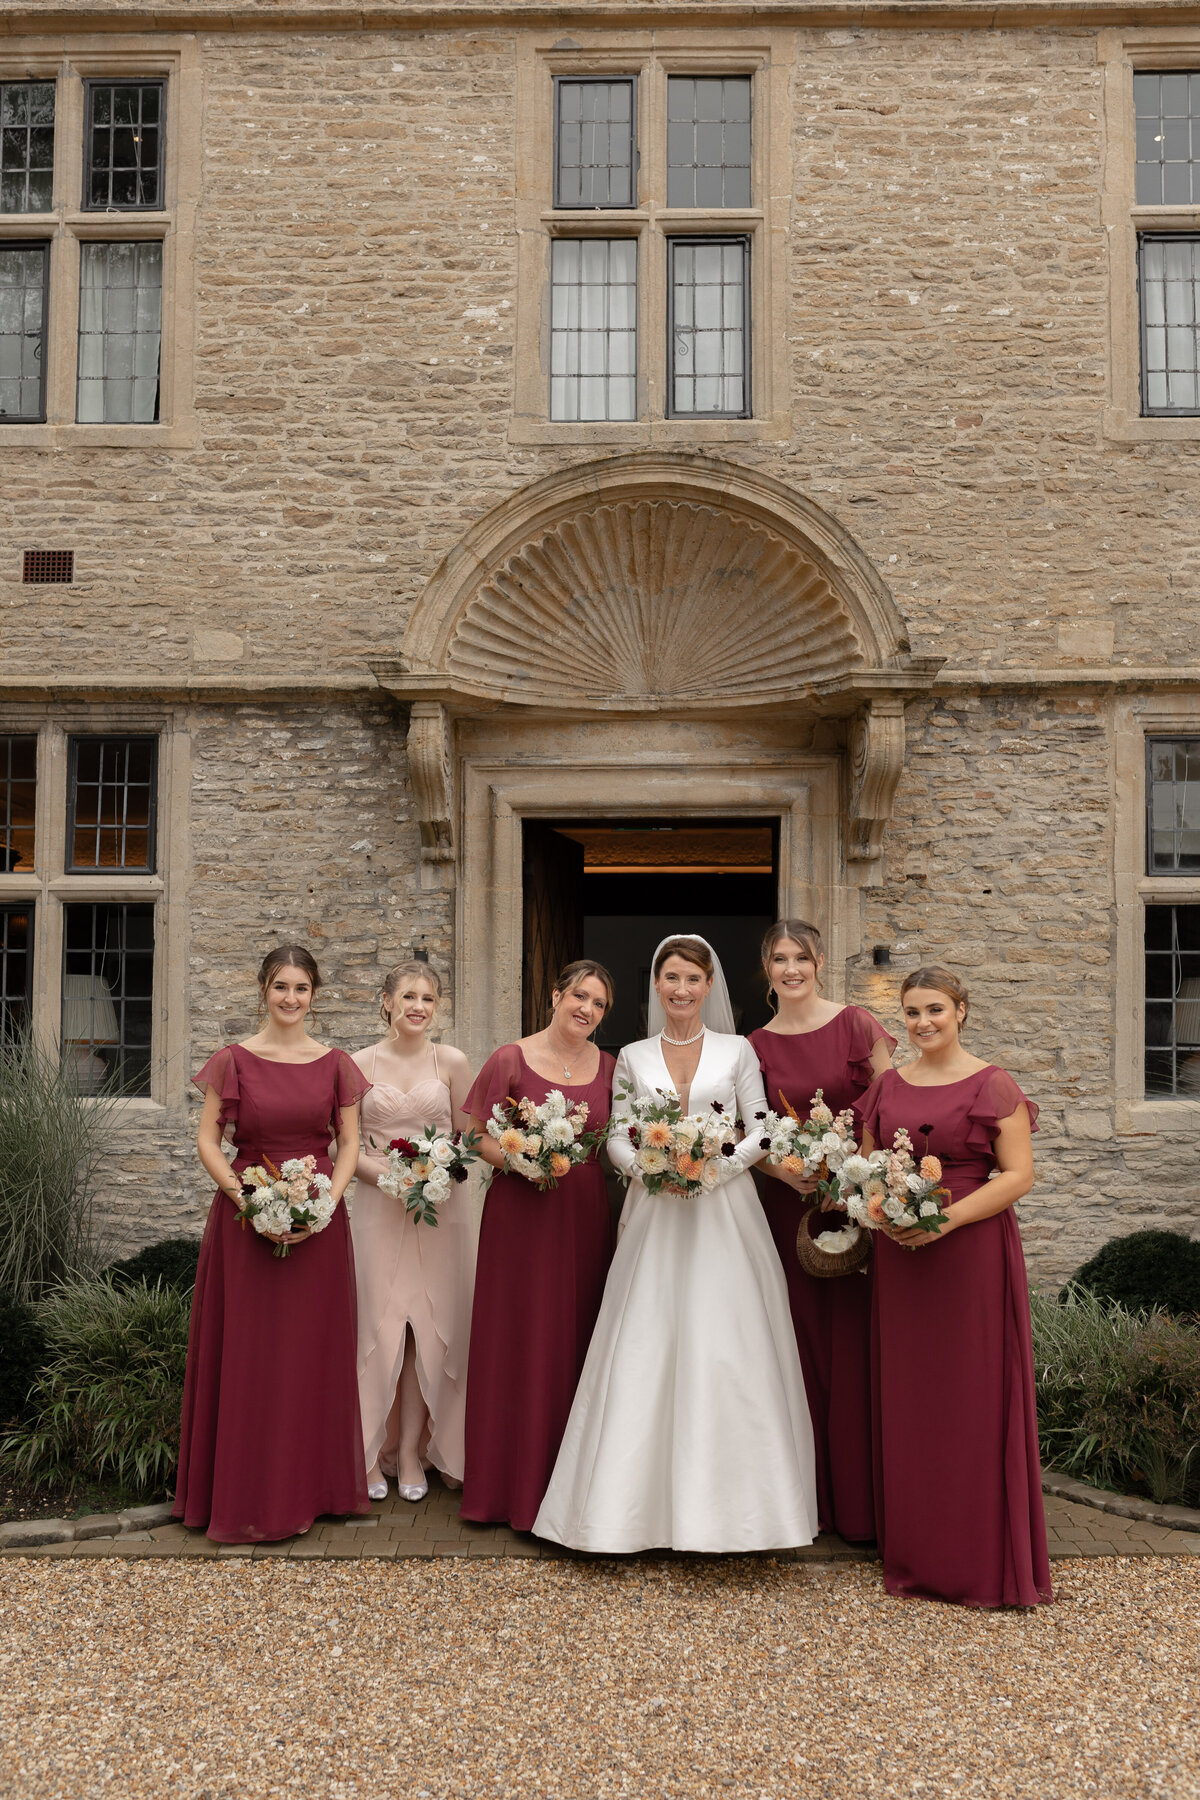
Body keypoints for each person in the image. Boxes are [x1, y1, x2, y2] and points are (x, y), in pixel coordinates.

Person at [533, 935, 818, 1555]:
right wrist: (653, 1172)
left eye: (693, 979)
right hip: (656, 1211)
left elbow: (761, 1127)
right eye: (672, 980)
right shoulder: (631, 1055)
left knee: (727, 1343)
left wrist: (714, 1169)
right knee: (646, 1339)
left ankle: (744, 1516)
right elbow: (616, 1138)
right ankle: (625, 1514)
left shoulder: (737, 1049)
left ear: (709, 986)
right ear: (656, 986)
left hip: (725, 1212)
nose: (682, 990)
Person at [858, 966, 1051, 1607]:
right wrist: (883, 1208)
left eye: (935, 1009)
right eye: (912, 1013)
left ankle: (977, 1560)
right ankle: (916, 1555)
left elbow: (1018, 1175)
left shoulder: (993, 1083)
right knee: (911, 1396)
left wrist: (944, 1220)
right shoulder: (887, 1085)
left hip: (969, 1253)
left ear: (962, 1011)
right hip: (901, 1260)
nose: (923, 1023)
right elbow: (866, 1166)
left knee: (970, 1393)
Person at [175, 945, 371, 1543]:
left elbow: (349, 1144)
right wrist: (248, 1202)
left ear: (315, 995)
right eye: (281, 986)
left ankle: (317, 1491)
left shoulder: (336, 1064)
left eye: (302, 988)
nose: (291, 998)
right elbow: (210, 1140)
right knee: (251, 1355)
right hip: (245, 1222)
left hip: (317, 1225)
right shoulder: (233, 1060)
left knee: (310, 1355)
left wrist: (325, 1206)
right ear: (263, 989)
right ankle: (241, 1497)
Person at [747, 920, 895, 1544]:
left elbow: (893, 1106)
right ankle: (805, 1504)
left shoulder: (857, 1024)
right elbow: (743, 1132)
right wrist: (784, 1172)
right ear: (766, 971)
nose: (791, 969)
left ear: (820, 961)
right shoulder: (752, 1044)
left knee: (856, 1342)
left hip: (857, 1203)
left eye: (800, 957)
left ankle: (862, 1507)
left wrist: (859, 1174)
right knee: (798, 1342)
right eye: (779, 959)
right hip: (790, 1209)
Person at [460, 961, 617, 1532]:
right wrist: (519, 1161)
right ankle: (503, 1491)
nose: (587, 1010)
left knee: (575, 1335)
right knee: (516, 1338)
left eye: (598, 1004)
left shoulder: (612, 1067)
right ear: (556, 995)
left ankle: (569, 1489)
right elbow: (475, 1135)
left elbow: (620, 1141)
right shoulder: (509, 1058)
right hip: (519, 1217)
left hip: (582, 1217)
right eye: (579, 996)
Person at [351, 960, 475, 1504]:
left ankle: (412, 1453)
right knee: (378, 1330)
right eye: (407, 997)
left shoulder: (451, 1061)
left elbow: (470, 1142)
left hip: (442, 1211)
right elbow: (345, 1148)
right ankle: (366, 1452)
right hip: (379, 1210)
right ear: (386, 1001)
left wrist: (434, 1170)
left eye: (427, 998)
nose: (417, 1007)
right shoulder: (356, 1065)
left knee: (430, 1328)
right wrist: (394, 1177)